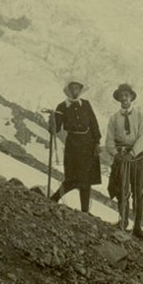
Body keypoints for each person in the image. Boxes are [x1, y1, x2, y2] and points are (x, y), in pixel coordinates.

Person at [50, 80, 102, 213]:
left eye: (77, 88)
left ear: (80, 90)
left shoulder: (86, 104)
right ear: (68, 90)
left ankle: (84, 211)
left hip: (88, 143)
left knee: (87, 179)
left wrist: (97, 142)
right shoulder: (62, 106)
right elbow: (55, 129)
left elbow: (94, 123)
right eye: (72, 88)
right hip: (73, 145)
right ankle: (54, 198)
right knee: (72, 178)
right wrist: (52, 121)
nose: (75, 91)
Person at [106, 83, 143, 239]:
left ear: (131, 97)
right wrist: (116, 154)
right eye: (121, 96)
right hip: (121, 157)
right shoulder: (114, 119)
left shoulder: (140, 116)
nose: (124, 98)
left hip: (138, 158)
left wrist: (132, 153)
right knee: (121, 190)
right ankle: (123, 222)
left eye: (127, 95)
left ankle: (137, 227)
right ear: (118, 99)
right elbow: (109, 141)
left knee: (138, 193)